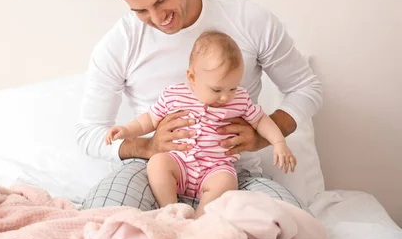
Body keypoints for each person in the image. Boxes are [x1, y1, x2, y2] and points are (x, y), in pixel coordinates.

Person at [76, 0, 323, 211]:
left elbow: (306, 88)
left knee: (292, 221)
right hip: (153, 170)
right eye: (141, 11)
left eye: (160, 0)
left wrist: (261, 137)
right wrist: (147, 146)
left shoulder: (249, 21)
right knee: (101, 221)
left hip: (231, 175)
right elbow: (89, 132)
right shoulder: (121, 42)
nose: (158, 19)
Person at [104, 30, 297, 217]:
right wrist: (127, 130)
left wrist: (278, 142)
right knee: (157, 163)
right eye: (216, 89)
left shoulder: (239, 100)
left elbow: (261, 120)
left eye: (232, 87)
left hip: (215, 169)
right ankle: (171, 210)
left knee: (227, 181)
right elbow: (149, 119)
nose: (225, 97)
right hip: (179, 165)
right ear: (192, 77)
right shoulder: (174, 95)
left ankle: (200, 219)